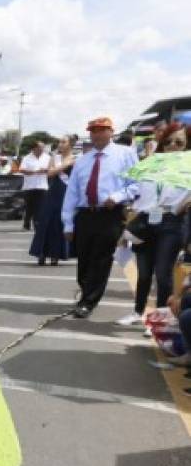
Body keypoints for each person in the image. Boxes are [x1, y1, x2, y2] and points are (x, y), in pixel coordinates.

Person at [62, 117, 139, 318]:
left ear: (111, 131)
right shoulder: (82, 160)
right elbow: (72, 193)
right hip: (85, 215)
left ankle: (88, 301)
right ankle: (87, 291)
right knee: (84, 259)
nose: (97, 134)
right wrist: (68, 223)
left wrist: (118, 196)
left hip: (110, 214)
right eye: (93, 130)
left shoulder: (125, 155)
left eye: (102, 130)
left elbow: (136, 184)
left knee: (101, 259)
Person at [117, 122, 190, 326]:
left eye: (179, 142)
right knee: (144, 273)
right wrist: (128, 226)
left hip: (172, 222)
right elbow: (138, 193)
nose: (173, 146)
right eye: (168, 141)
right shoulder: (151, 163)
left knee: (163, 273)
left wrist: (183, 205)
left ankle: (159, 318)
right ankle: (138, 311)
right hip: (146, 220)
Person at [30, 135, 75, 266]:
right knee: (46, 221)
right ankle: (41, 253)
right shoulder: (54, 158)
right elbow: (50, 173)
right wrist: (65, 165)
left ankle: (56, 254)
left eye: (63, 142)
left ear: (70, 144)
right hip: (54, 191)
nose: (60, 144)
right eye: (59, 142)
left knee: (60, 222)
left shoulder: (77, 159)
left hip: (67, 192)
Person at [19, 141, 50, 231]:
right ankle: (26, 223)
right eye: (40, 148)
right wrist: (35, 172)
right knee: (30, 207)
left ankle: (38, 224)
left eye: (43, 148)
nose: (42, 149)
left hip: (43, 186)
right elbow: (22, 169)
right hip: (29, 186)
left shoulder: (47, 157)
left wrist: (45, 170)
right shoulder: (27, 158)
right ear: (34, 148)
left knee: (41, 206)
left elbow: (52, 168)